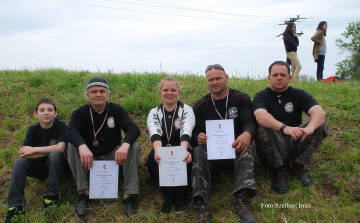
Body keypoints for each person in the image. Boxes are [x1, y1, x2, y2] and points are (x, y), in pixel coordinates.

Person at [191, 64, 258, 223]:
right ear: (207, 82)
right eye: (210, 79)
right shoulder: (201, 105)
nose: (214, 82)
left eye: (218, 78)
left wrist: (247, 134)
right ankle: (202, 204)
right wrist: (197, 138)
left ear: (226, 78)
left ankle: (242, 199)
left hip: (235, 150)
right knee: (199, 151)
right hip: (212, 154)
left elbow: (250, 122)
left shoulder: (241, 99)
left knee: (247, 148)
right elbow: (194, 133)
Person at [66, 77, 141, 217]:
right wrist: (82, 146)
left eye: (102, 91)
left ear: (107, 94)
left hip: (113, 156)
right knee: (72, 145)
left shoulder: (117, 110)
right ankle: (83, 194)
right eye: (93, 91)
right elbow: (70, 131)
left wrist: (124, 145)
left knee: (133, 146)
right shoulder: (80, 112)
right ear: (87, 95)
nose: (98, 94)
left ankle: (129, 196)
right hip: (89, 158)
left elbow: (133, 129)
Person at [253, 61, 329, 194]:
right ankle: (278, 170)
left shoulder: (299, 94)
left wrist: (310, 128)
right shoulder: (261, 96)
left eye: (283, 74)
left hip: (295, 141)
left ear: (290, 78)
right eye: (275, 74)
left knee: (321, 124)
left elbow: (319, 112)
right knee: (264, 127)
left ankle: (298, 165)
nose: (279, 77)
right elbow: (260, 116)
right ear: (269, 78)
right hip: (273, 146)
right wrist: (284, 128)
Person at [4, 98, 68, 222]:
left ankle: (51, 198)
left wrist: (34, 150)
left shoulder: (60, 125)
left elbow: (61, 148)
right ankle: (15, 207)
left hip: (58, 166)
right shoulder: (33, 129)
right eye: (42, 110)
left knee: (55, 155)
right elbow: (24, 154)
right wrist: (41, 151)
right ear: (35, 114)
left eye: (50, 110)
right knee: (19, 163)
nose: (46, 113)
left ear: (55, 113)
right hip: (40, 168)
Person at [146, 77, 195, 214]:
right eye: (165, 90)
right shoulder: (153, 112)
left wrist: (183, 151)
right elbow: (154, 134)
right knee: (156, 159)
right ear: (160, 92)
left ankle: (181, 195)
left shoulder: (186, 110)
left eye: (173, 90)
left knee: (187, 158)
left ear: (178, 92)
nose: (169, 93)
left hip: (182, 145)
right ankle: (167, 196)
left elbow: (187, 131)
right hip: (161, 147)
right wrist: (157, 152)